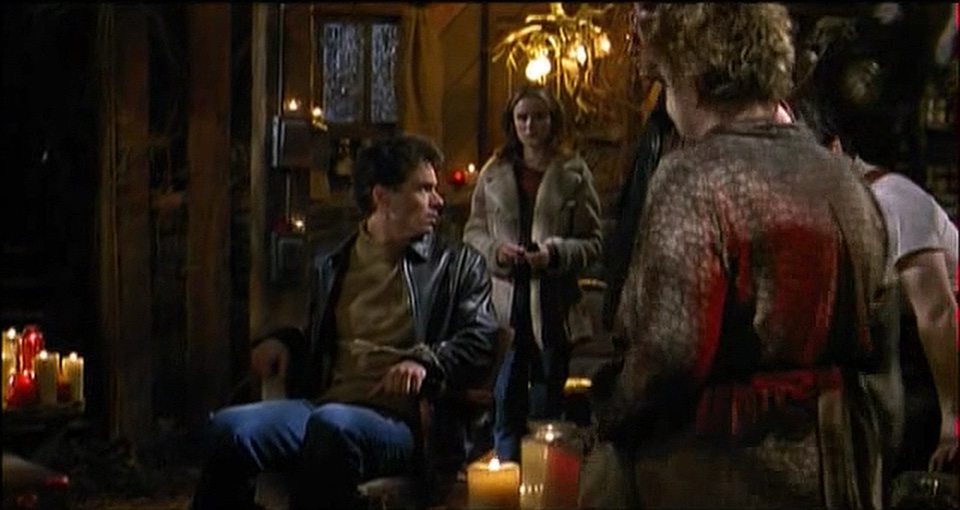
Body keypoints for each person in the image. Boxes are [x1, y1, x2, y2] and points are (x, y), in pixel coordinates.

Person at [586, 4, 892, 508]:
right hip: (834, 465)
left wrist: (610, 403)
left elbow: (671, 353)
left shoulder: (695, 177)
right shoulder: (842, 178)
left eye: (665, 82)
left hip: (727, 468)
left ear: (690, 71)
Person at [190, 134, 500, 510]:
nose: (439, 200)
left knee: (332, 427)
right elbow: (320, 338)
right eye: (423, 189)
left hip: (405, 420)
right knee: (228, 428)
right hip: (328, 404)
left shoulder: (457, 264)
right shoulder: (334, 262)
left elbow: (481, 337)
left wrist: (425, 361)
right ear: (382, 197)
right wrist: (284, 342)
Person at [790, 16, 958, 476]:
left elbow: (938, 314)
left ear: (835, 150)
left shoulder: (892, 200)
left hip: (939, 364)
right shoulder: (845, 209)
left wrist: (953, 422)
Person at [462, 86, 602, 462]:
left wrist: (554, 253)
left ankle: (543, 478)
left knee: (546, 406)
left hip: (553, 305)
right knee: (504, 401)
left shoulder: (573, 172)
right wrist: (496, 251)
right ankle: (506, 474)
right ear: (512, 122)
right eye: (522, 117)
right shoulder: (494, 171)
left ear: (553, 121)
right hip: (505, 302)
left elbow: (593, 241)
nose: (530, 126)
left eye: (539, 117)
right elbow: (473, 232)